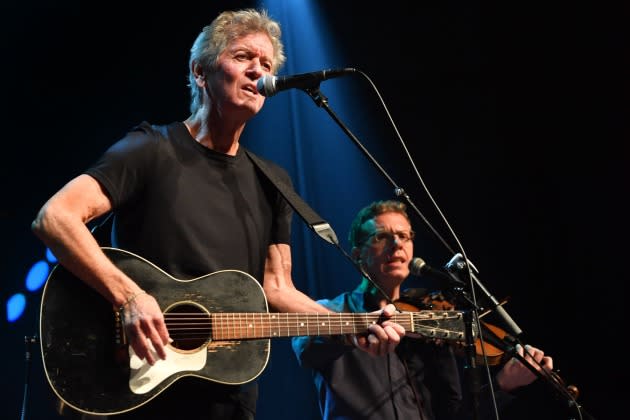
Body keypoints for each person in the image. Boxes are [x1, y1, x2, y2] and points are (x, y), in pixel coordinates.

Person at [31, 9, 402, 420]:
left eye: (265, 65)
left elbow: (277, 290)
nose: (257, 72)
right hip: (135, 382)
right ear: (200, 72)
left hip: (227, 395)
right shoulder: (151, 148)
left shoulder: (273, 181)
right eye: (243, 57)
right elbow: (55, 217)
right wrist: (130, 296)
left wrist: (352, 324)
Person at [292, 200, 557, 420]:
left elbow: (457, 416)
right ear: (358, 254)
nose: (397, 244)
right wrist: (355, 331)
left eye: (404, 236)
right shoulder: (332, 310)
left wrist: (504, 384)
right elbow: (306, 346)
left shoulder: (431, 324)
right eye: (382, 236)